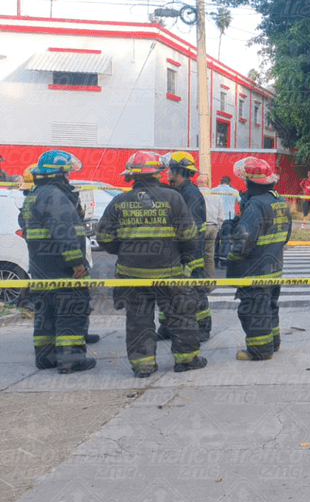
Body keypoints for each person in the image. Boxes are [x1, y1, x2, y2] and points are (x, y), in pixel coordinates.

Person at [96, 150, 206, 377]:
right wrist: (183, 256)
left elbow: (104, 238)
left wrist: (124, 250)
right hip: (170, 272)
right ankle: (186, 360)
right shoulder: (173, 198)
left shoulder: (119, 201)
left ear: (131, 176)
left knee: (138, 319)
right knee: (180, 315)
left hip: (131, 274)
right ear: (159, 173)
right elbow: (189, 236)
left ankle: (143, 366)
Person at [17, 150, 96, 373]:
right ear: (58, 174)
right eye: (68, 173)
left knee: (45, 314)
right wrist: (77, 264)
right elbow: (66, 233)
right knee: (71, 312)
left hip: (41, 270)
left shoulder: (34, 194)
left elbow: (24, 224)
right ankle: (71, 361)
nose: (70, 177)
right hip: (63, 270)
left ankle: (45, 358)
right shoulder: (56, 196)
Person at [223, 157, 291, 361]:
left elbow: (243, 242)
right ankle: (273, 342)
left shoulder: (255, 205)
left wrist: (232, 258)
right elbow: (285, 236)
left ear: (250, 182)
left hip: (255, 269)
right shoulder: (280, 201)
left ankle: (260, 350)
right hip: (274, 266)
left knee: (253, 309)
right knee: (269, 306)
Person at [161, 151, 213, 342]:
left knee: (195, 293)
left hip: (190, 256)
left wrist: (187, 258)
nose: (167, 174)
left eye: (170, 171)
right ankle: (166, 327)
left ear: (178, 172)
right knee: (169, 292)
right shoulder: (178, 192)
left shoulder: (191, 195)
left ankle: (203, 328)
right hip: (175, 253)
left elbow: (193, 228)